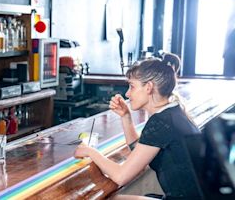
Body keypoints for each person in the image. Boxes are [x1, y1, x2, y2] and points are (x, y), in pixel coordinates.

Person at [74, 58, 202, 199]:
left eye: (132, 86)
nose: (128, 94)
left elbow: (121, 176)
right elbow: (139, 154)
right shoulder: (173, 112)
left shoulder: (161, 122)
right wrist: (126, 117)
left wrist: (91, 151)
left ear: (148, 87)